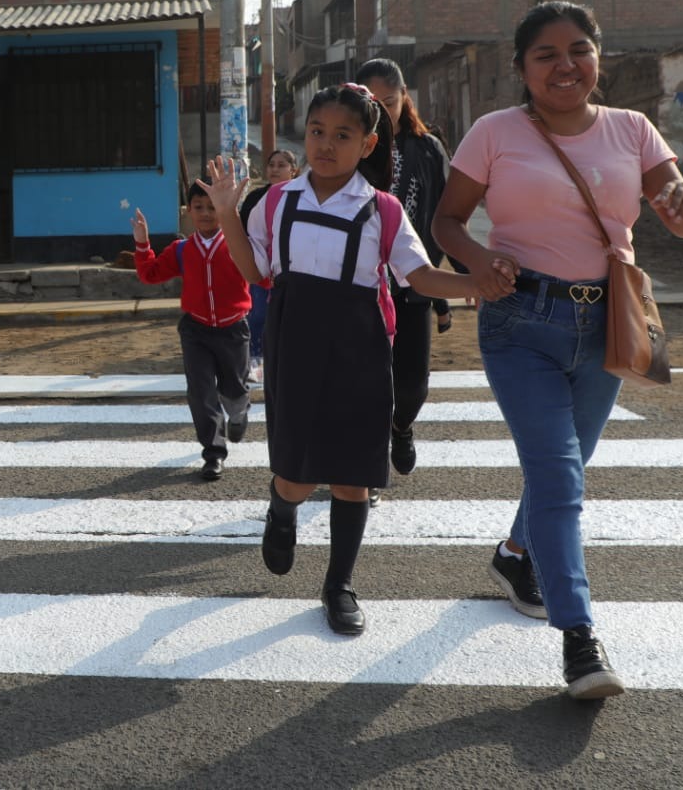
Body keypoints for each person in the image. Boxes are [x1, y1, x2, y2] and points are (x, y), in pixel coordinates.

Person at [432, 1, 683, 701]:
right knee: (559, 477)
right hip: (519, 319)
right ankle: (579, 639)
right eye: (546, 55)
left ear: (598, 58)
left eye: (578, 50)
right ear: (523, 70)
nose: (565, 65)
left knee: (564, 467)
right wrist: (477, 261)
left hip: (606, 325)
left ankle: (514, 554)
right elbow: (446, 219)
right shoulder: (495, 132)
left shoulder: (632, 130)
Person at [204, 84, 485, 637]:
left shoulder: (383, 209)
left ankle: (339, 585)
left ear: (368, 143)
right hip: (295, 342)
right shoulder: (279, 200)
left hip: (361, 344)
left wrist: (475, 282)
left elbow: (419, 275)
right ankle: (281, 510)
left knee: (354, 476)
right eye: (316, 132)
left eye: (342, 135)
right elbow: (254, 270)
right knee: (296, 474)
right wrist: (226, 213)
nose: (326, 145)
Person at [358, 58, 456, 484]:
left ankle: (402, 427)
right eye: (372, 103)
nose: (382, 111)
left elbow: (445, 217)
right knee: (367, 384)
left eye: (390, 102)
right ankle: (367, 465)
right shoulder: (351, 150)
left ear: (405, 100)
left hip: (415, 284)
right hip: (362, 286)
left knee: (413, 385)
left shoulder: (428, 149)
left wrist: (448, 289)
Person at [132, 182, 252, 481]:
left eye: (212, 207)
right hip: (195, 329)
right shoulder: (182, 249)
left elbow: (264, 275)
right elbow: (149, 274)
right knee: (200, 393)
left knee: (233, 389)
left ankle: (238, 413)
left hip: (233, 328)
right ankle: (213, 453)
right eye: (199, 207)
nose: (206, 213)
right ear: (188, 212)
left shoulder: (239, 245)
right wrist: (142, 243)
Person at [238, 148, 299, 384]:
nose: (275, 169)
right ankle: (255, 360)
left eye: (281, 165)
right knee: (258, 316)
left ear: (294, 171)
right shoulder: (255, 199)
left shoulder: (302, 197)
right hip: (262, 270)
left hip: (292, 270)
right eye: (271, 164)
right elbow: (244, 234)